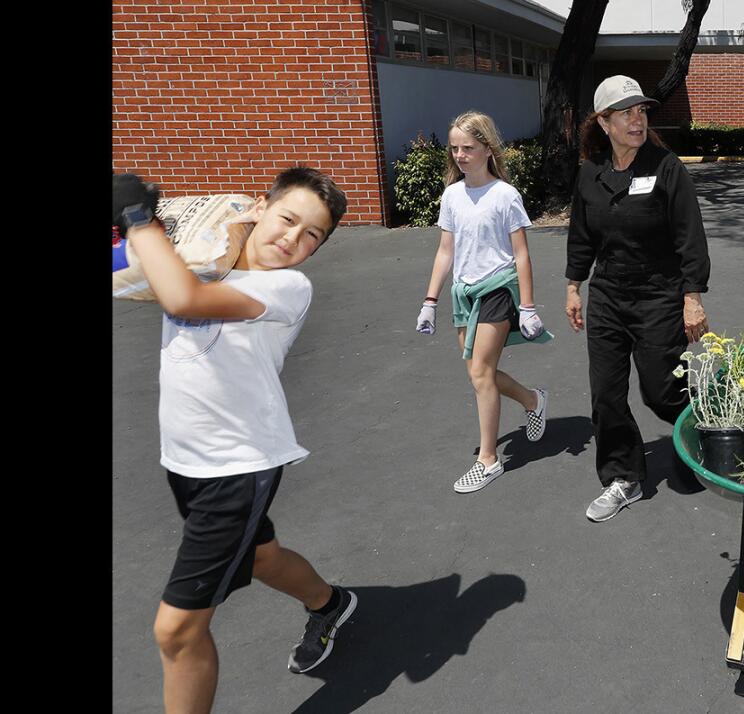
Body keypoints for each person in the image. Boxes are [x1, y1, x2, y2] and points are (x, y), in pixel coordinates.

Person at [115, 168, 357, 714]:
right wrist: (139, 233)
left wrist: (138, 219)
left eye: (312, 235)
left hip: (236, 471)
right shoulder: (205, 257)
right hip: (185, 461)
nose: (293, 239)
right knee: (263, 557)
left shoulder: (287, 288)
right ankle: (330, 603)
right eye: (288, 218)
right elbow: (139, 272)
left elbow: (183, 300)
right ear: (261, 206)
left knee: (176, 633)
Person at [565, 75, 712, 523]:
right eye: (626, 113)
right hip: (608, 295)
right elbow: (581, 235)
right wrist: (574, 285)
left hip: (658, 294)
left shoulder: (666, 167)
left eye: (642, 111)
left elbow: (690, 238)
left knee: (661, 389)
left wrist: (692, 297)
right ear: (604, 122)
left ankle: (704, 436)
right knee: (605, 395)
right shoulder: (591, 173)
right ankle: (622, 477)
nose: (637, 120)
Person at [416, 111, 551, 495]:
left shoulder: (505, 196)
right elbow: (445, 252)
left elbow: (521, 254)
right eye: (455, 148)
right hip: (464, 293)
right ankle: (532, 399)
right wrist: (430, 301)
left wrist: (527, 306)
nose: (460, 155)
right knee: (481, 374)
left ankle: (488, 460)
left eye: (468, 148)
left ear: (487, 149)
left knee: (479, 374)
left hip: (498, 289)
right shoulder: (452, 195)